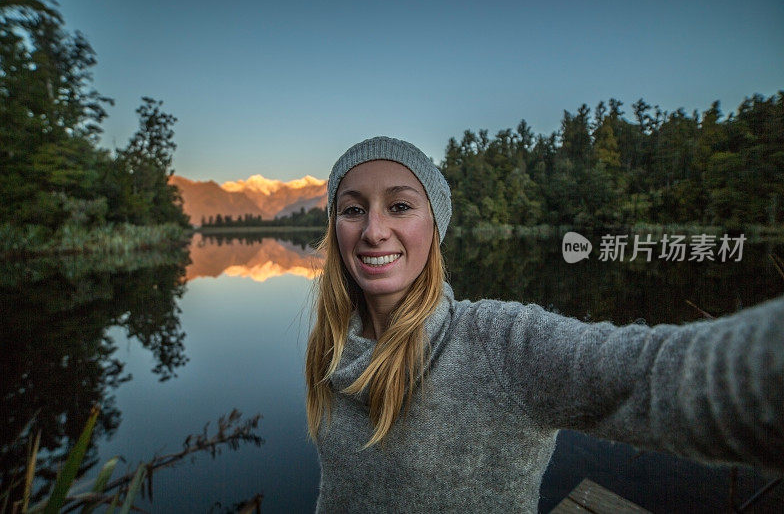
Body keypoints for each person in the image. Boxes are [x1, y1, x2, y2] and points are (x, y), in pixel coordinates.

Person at [305, 136, 784, 513]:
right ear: (336, 227)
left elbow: (653, 375)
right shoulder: (335, 349)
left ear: (435, 225)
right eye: (353, 209)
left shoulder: (500, 344)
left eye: (400, 205)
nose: (372, 230)